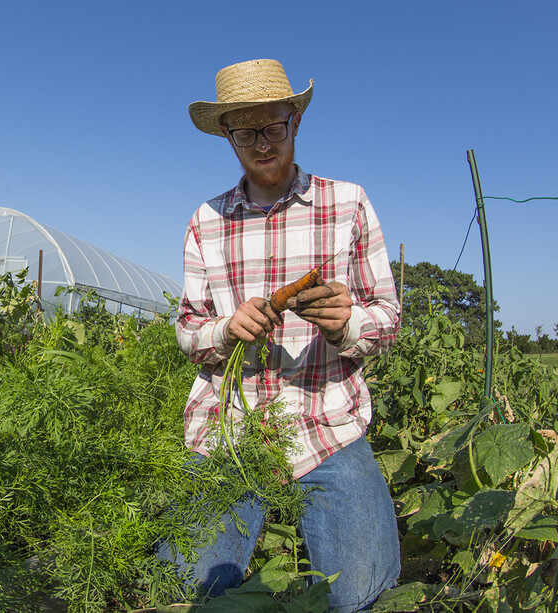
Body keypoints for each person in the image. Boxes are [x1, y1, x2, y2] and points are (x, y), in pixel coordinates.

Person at [162, 59, 402, 611]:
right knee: (187, 584)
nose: (262, 143)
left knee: (359, 590)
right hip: (229, 432)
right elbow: (186, 329)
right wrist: (225, 329)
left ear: (295, 121)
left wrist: (349, 324)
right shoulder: (207, 220)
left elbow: (387, 316)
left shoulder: (348, 204)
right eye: (245, 131)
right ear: (227, 135)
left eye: (273, 126)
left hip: (325, 423)